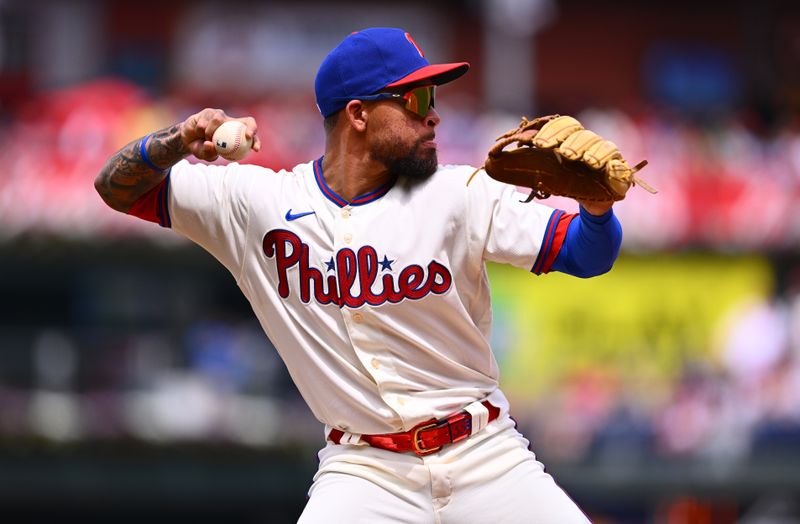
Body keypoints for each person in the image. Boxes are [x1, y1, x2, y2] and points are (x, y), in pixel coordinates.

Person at [95, 27, 621, 523]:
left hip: (486, 455)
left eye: (433, 99)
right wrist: (176, 140)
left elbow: (586, 254)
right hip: (364, 473)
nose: (433, 117)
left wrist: (597, 210)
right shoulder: (257, 204)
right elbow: (116, 188)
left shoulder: (460, 193)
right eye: (415, 100)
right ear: (358, 114)